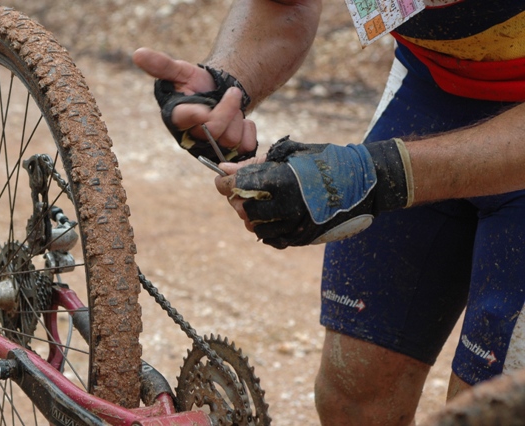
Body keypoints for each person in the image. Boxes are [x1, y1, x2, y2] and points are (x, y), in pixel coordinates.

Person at [133, 1, 525, 424]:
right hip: (432, 90)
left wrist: (380, 174)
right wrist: (229, 81)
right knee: (353, 396)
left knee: (490, 411)